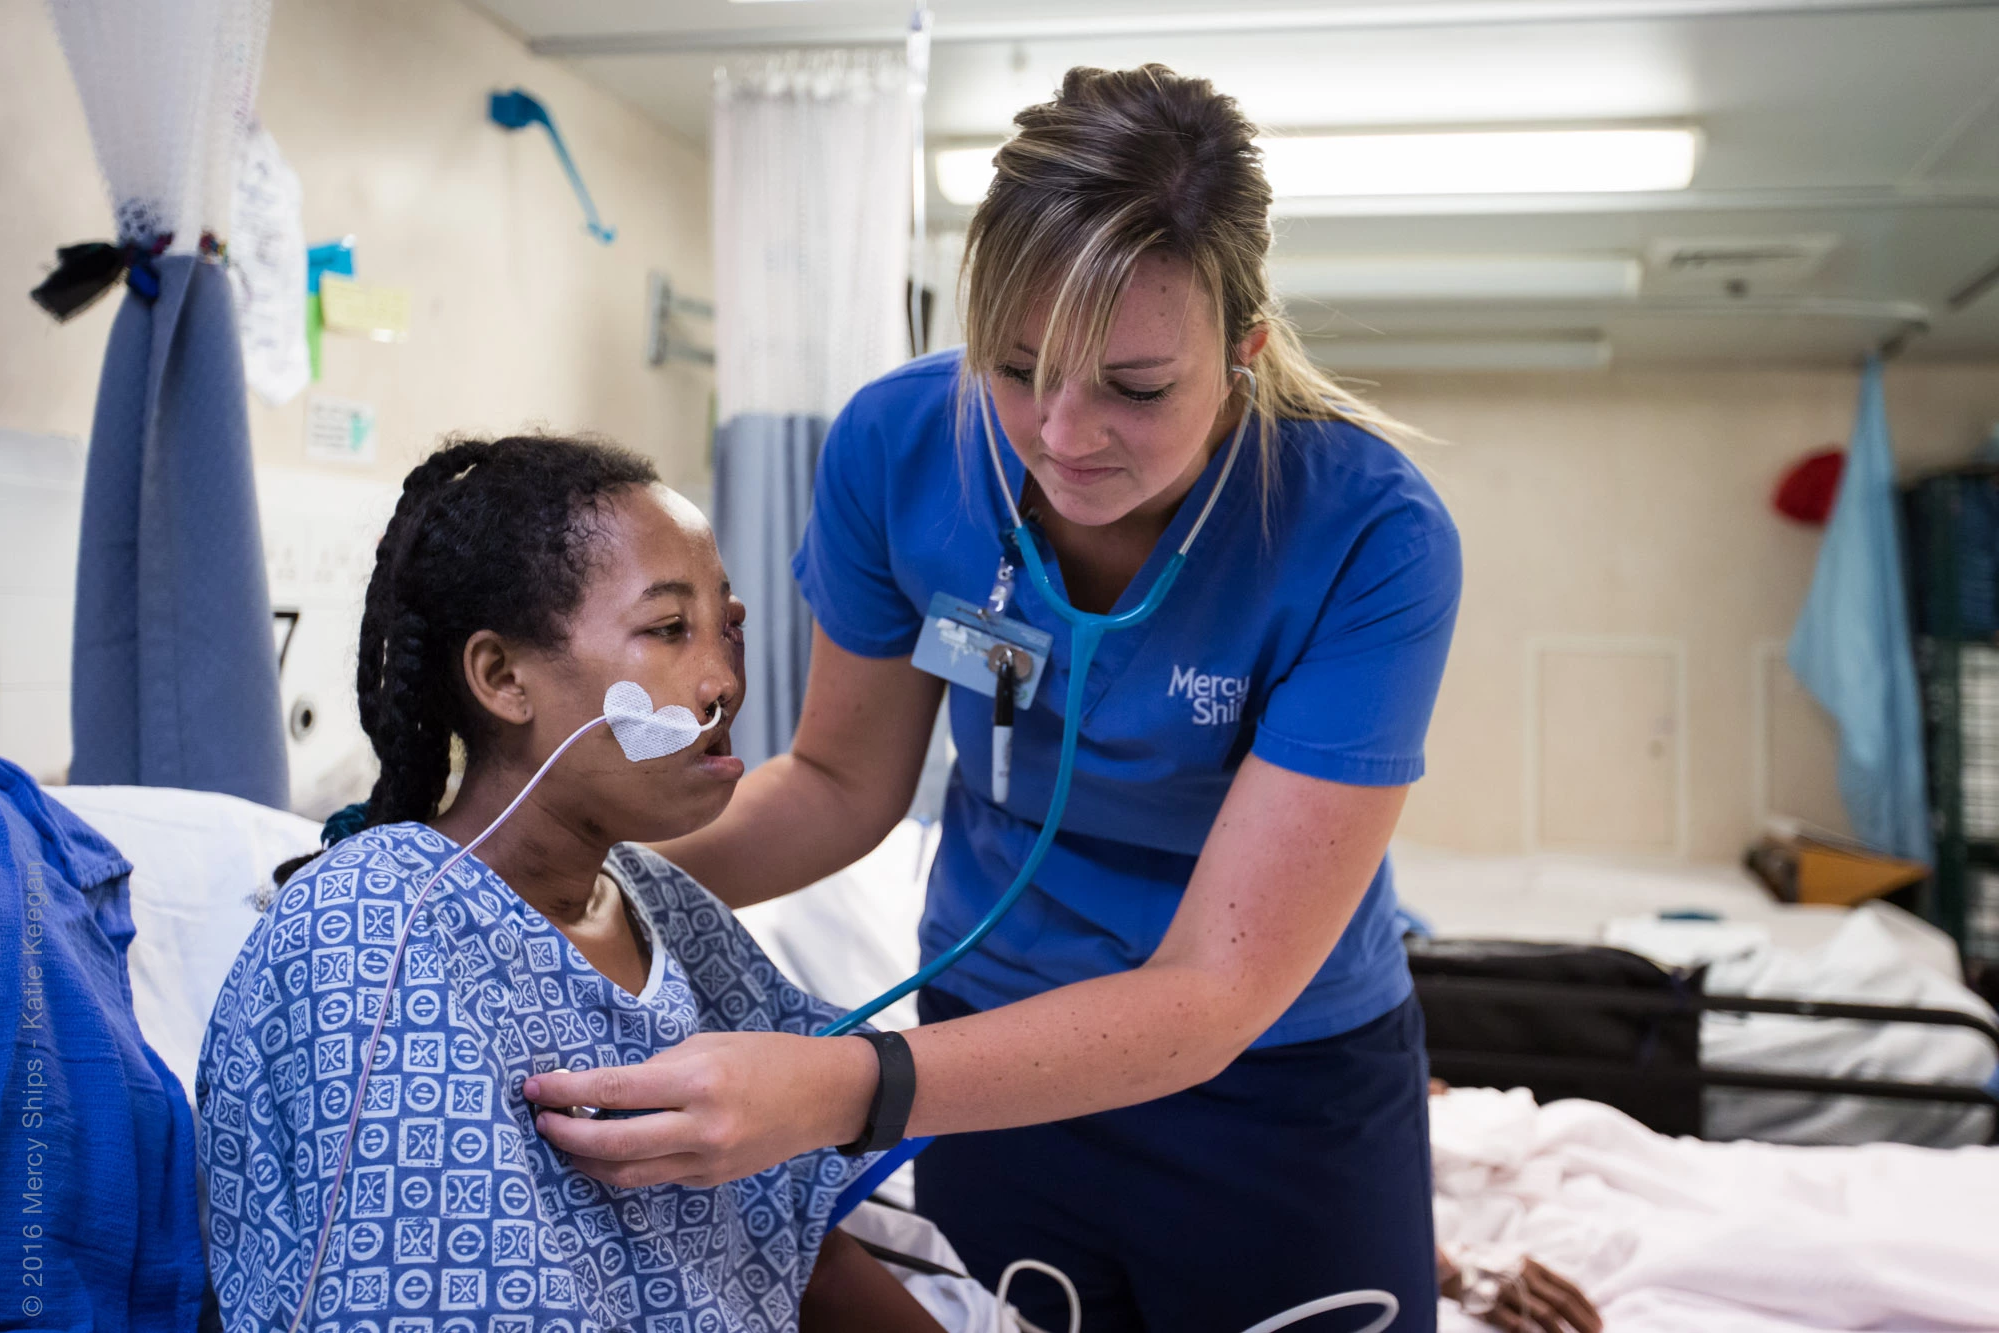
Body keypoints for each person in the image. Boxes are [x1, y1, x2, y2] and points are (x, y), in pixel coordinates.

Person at [528, 65, 1462, 1332]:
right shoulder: (901, 447)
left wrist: (837, 1088)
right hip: (990, 1047)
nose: (1064, 434)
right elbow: (840, 786)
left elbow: (1210, 994)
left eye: (1134, 387)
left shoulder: (1366, 533)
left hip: (1275, 1075)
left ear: (1242, 350)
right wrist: (557, 871)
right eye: (1016, 366)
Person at [195, 437, 943, 1333]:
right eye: (669, 630)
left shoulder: (668, 911)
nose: (723, 681)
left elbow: (794, 1242)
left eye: (728, 627)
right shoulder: (374, 936)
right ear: (504, 678)